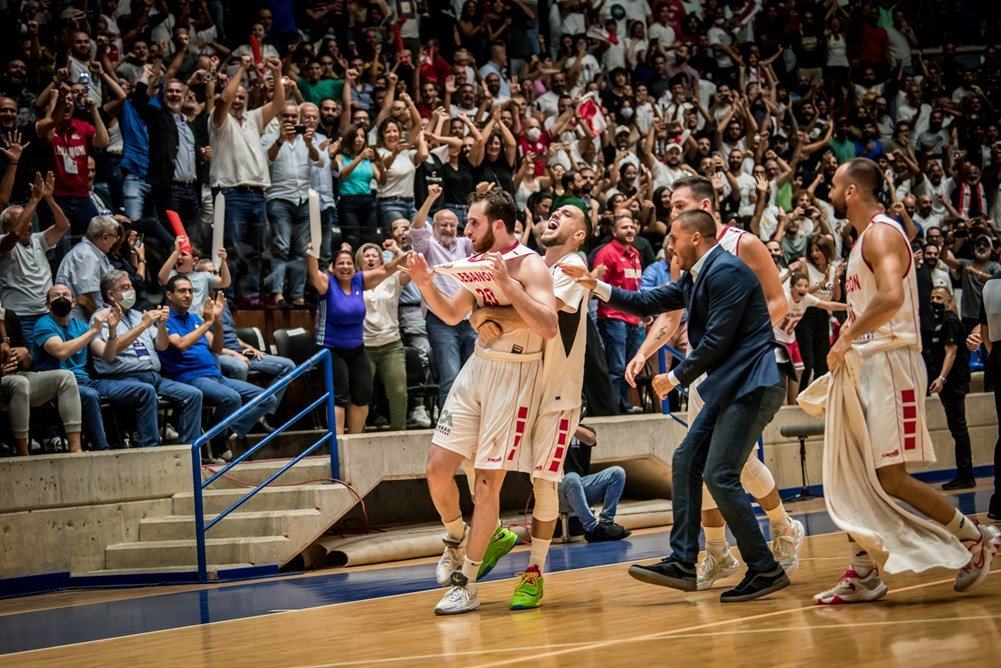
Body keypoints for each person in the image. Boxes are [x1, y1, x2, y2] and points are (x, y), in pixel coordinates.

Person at [567, 209, 790, 603]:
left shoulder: (727, 272)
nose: (669, 244)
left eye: (675, 236)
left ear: (696, 239)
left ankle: (765, 567)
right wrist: (596, 288)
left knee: (721, 474)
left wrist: (675, 377)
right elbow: (648, 300)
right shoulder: (697, 275)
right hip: (731, 387)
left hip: (754, 385)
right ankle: (684, 560)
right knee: (686, 459)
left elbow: (717, 340)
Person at [815, 157, 999, 606]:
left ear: (853, 191)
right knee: (849, 473)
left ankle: (974, 538)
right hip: (867, 362)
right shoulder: (867, 239)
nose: (831, 193)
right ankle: (862, 572)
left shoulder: (879, 233)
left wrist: (845, 339)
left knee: (890, 478)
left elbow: (892, 296)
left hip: (889, 362)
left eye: (836, 186)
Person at [618, 176, 802, 591]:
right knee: (692, 462)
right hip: (708, 371)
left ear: (703, 211)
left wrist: (740, 345)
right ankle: (710, 553)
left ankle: (781, 527)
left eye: (679, 208)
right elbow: (667, 311)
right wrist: (645, 351)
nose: (671, 218)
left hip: (743, 369)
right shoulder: (690, 260)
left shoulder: (741, 248)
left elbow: (777, 302)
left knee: (727, 467)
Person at [401, 188, 557, 615]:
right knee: (436, 469)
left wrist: (505, 293)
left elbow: (547, 325)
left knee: (488, 482)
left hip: (516, 375)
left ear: (498, 226)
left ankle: (466, 582)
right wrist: (425, 285)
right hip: (478, 369)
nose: (467, 231)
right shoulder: (474, 265)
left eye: (474, 223)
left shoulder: (530, 265)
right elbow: (453, 313)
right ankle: (455, 537)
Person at [465, 200, 593, 610]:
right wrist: (480, 313)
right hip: (520, 382)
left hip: (557, 391)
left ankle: (534, 571)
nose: (557, 213)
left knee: (544, 483)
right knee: (479, 461)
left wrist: (487, 310)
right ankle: (496, 532)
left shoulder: (575, 264)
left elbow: (539, 317)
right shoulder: (533, 264)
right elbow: (499, 310)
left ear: (579, 234)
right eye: (555, 210)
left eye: (569, 214)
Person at [159, 277, 277, 461]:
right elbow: (180, 344)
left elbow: (216, 347)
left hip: (215, 375)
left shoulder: (195, 319)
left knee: (267, 398)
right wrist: (207, 323)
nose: (188, 295)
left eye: (190, 291)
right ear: (169, 294)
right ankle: (215, 440)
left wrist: (218, 322)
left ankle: (217, 438)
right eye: (182, 291)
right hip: (189, 377)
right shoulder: (165, 319)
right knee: (231, 398)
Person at [89, 270, 203, 447]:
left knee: (193, 394)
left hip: (152, 375)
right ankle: (150, 450)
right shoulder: (100, 318)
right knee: (146, 390)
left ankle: (188, 452)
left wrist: (161, 326)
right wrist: (143, 325)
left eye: (131, 287)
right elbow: (111, 354)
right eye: (125, 287)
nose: (131, 291)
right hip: (120, 378)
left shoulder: (137, 314)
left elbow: (162, 345)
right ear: (111, 295)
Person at [307, 244, 410, 434]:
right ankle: (337, 446)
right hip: (331, 349)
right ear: (333, 267)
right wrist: (312, 255)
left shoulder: (359, 281)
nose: (345, 267)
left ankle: (354, 442)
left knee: (362, 396)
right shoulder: (327, 284)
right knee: (339, 396)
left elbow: (386, 269)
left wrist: (402, 258)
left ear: (354, 267)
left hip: (357, 349)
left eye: (348, 263)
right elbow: (313, 275)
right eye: (340, 263)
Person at [209, 55, 285, 306]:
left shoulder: (253, 118)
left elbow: (279, 103)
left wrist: (277, 73)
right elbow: (223, 99)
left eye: (243, 96)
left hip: (257, 194)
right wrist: (242, 68)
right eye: (236, 95)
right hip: (231, 192)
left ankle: (250, 296)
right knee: (229, 248)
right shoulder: (219, 118)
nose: (238, 100)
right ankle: (227, 296)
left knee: (255, 250)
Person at [408, 184, 477, 408]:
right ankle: (448, 428)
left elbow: (482, 238)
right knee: (451, 376)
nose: (448, 229)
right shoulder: (427, 246)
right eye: (443, 224)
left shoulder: (465, 245)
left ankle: (471, 422)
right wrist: (430, 199)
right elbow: (416, 227)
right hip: (440, 321)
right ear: (434, 227)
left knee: (476, 375)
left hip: (468, 319)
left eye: (452, 225)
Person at [0, 171, 70, 348]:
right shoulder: (3, 242)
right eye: (23, 220)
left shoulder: (38, 239)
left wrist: (49, 199)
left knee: (53, 360)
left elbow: (63, 226)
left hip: (48, 313)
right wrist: (34, 200)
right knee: (31, 363)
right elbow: (16, 233)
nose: (29, 224)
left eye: (30, 219)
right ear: (6, 226)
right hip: (21, 316)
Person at [263, 103, 323, 308]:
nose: (289, 120)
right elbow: (265, 161)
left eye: (293, 116)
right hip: (279, 198)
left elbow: (321, 161)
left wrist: (309, 144)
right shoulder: (269, 138)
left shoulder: (308, 138)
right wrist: (280, 140)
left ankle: (297, 295)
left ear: (298, 118)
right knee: (281, 248)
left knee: (302, 251)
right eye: (285, 116)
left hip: (304, 200)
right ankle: (277, 293)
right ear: (278, 118)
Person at [0, 308, 83, 456]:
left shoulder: (9, 316)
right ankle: (23, 455)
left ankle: (75, 450)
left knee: (66, 376)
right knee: (20, 383)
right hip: (10, 381)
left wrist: (25, 355)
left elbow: (28, 364)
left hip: (18, 375)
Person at [356, 242, 410, 431]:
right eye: (366, 255)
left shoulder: (393, 277)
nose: (370, 259)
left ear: (381, 259)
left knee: (398, 392)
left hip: (391, 345)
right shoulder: (354, 281)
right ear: (359, 260)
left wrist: (395, 250)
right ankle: (356, 435)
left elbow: (411, 266)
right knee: (360, 394)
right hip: (362, 347)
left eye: (374, 255)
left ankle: (399, 434)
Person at [592, 215, 643, 414]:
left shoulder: (636, 254)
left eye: (632, 226)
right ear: (614, 232)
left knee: (629, 365)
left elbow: (636, 287)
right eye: (624, 227)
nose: (630, 230)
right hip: (613, 317)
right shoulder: (606, 253)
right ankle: (612, 408)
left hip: (634, 317)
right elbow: (597, 286)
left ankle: (625, 405)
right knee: (616, 366)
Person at [927, 287, 973, 490]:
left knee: (959, 429)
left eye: (939, 297)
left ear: (949, 300)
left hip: (954, 382)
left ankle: (966, 475)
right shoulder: (939, 322)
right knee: (956, 429)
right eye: (932, 297)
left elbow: (951, 352)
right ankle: (964, 474)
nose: (935, 300)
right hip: (948, 383)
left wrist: (942, 378)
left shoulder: (951, 321)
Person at [557, 422, 631, 543]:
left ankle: (606, 523)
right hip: (555, 488)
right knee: (571, 477)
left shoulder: (583, 429)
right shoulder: (548, 425)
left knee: (618, 472)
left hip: (580, 488)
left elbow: (591, 439)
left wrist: (568, 421)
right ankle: (591, 528)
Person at [969, 278, 1001, 521]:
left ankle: (998, 502)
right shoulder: (991, 286)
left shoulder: (990, 285)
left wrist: (994, 358)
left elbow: (984, 331)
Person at [55, 215, 119, 321]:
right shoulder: (86, 256)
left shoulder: (95, 252)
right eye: (115, 236)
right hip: (83, 322)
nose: (116, 240)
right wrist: (102, 323)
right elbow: (84, 299)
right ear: (105, 237)